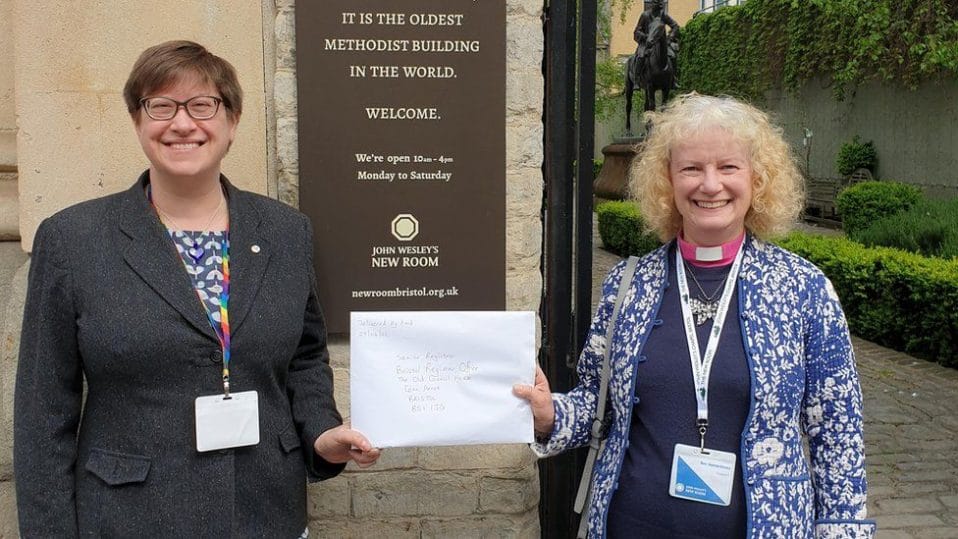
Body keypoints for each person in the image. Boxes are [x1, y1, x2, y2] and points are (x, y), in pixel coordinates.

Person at [13, 40, 380, 537]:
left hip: (264, 512)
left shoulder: (285, 232)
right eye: (160, 106)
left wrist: (321, 434)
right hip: (130, 518)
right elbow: (43, 414)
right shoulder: (73, 240)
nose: (182, 123)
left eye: (202, 105)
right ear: (138, 121)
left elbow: (305, 358)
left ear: (231, 122)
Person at [515, 94, 875, 538]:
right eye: (691, 168)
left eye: (728, 167)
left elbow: (837, 434)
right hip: (631, 525)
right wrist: (552, 415)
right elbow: (598, 404)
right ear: (667, 180)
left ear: (757, 179)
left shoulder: (802, 288)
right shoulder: (629, 284)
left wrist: (844, 531)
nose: (710, 184)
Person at [632, 0, 680, 88]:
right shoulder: (645, 15)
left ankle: (673, 79)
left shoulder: (663, 15)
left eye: (660, 3)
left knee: (672, 56)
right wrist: (646, 37)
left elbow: (675, 26)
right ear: (652, 4)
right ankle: (636, 80)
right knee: (641, 56)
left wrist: (670, 37)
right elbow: (637, 31)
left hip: (661, 43)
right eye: (657, 3)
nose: (659, 5)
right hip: (647, 42)